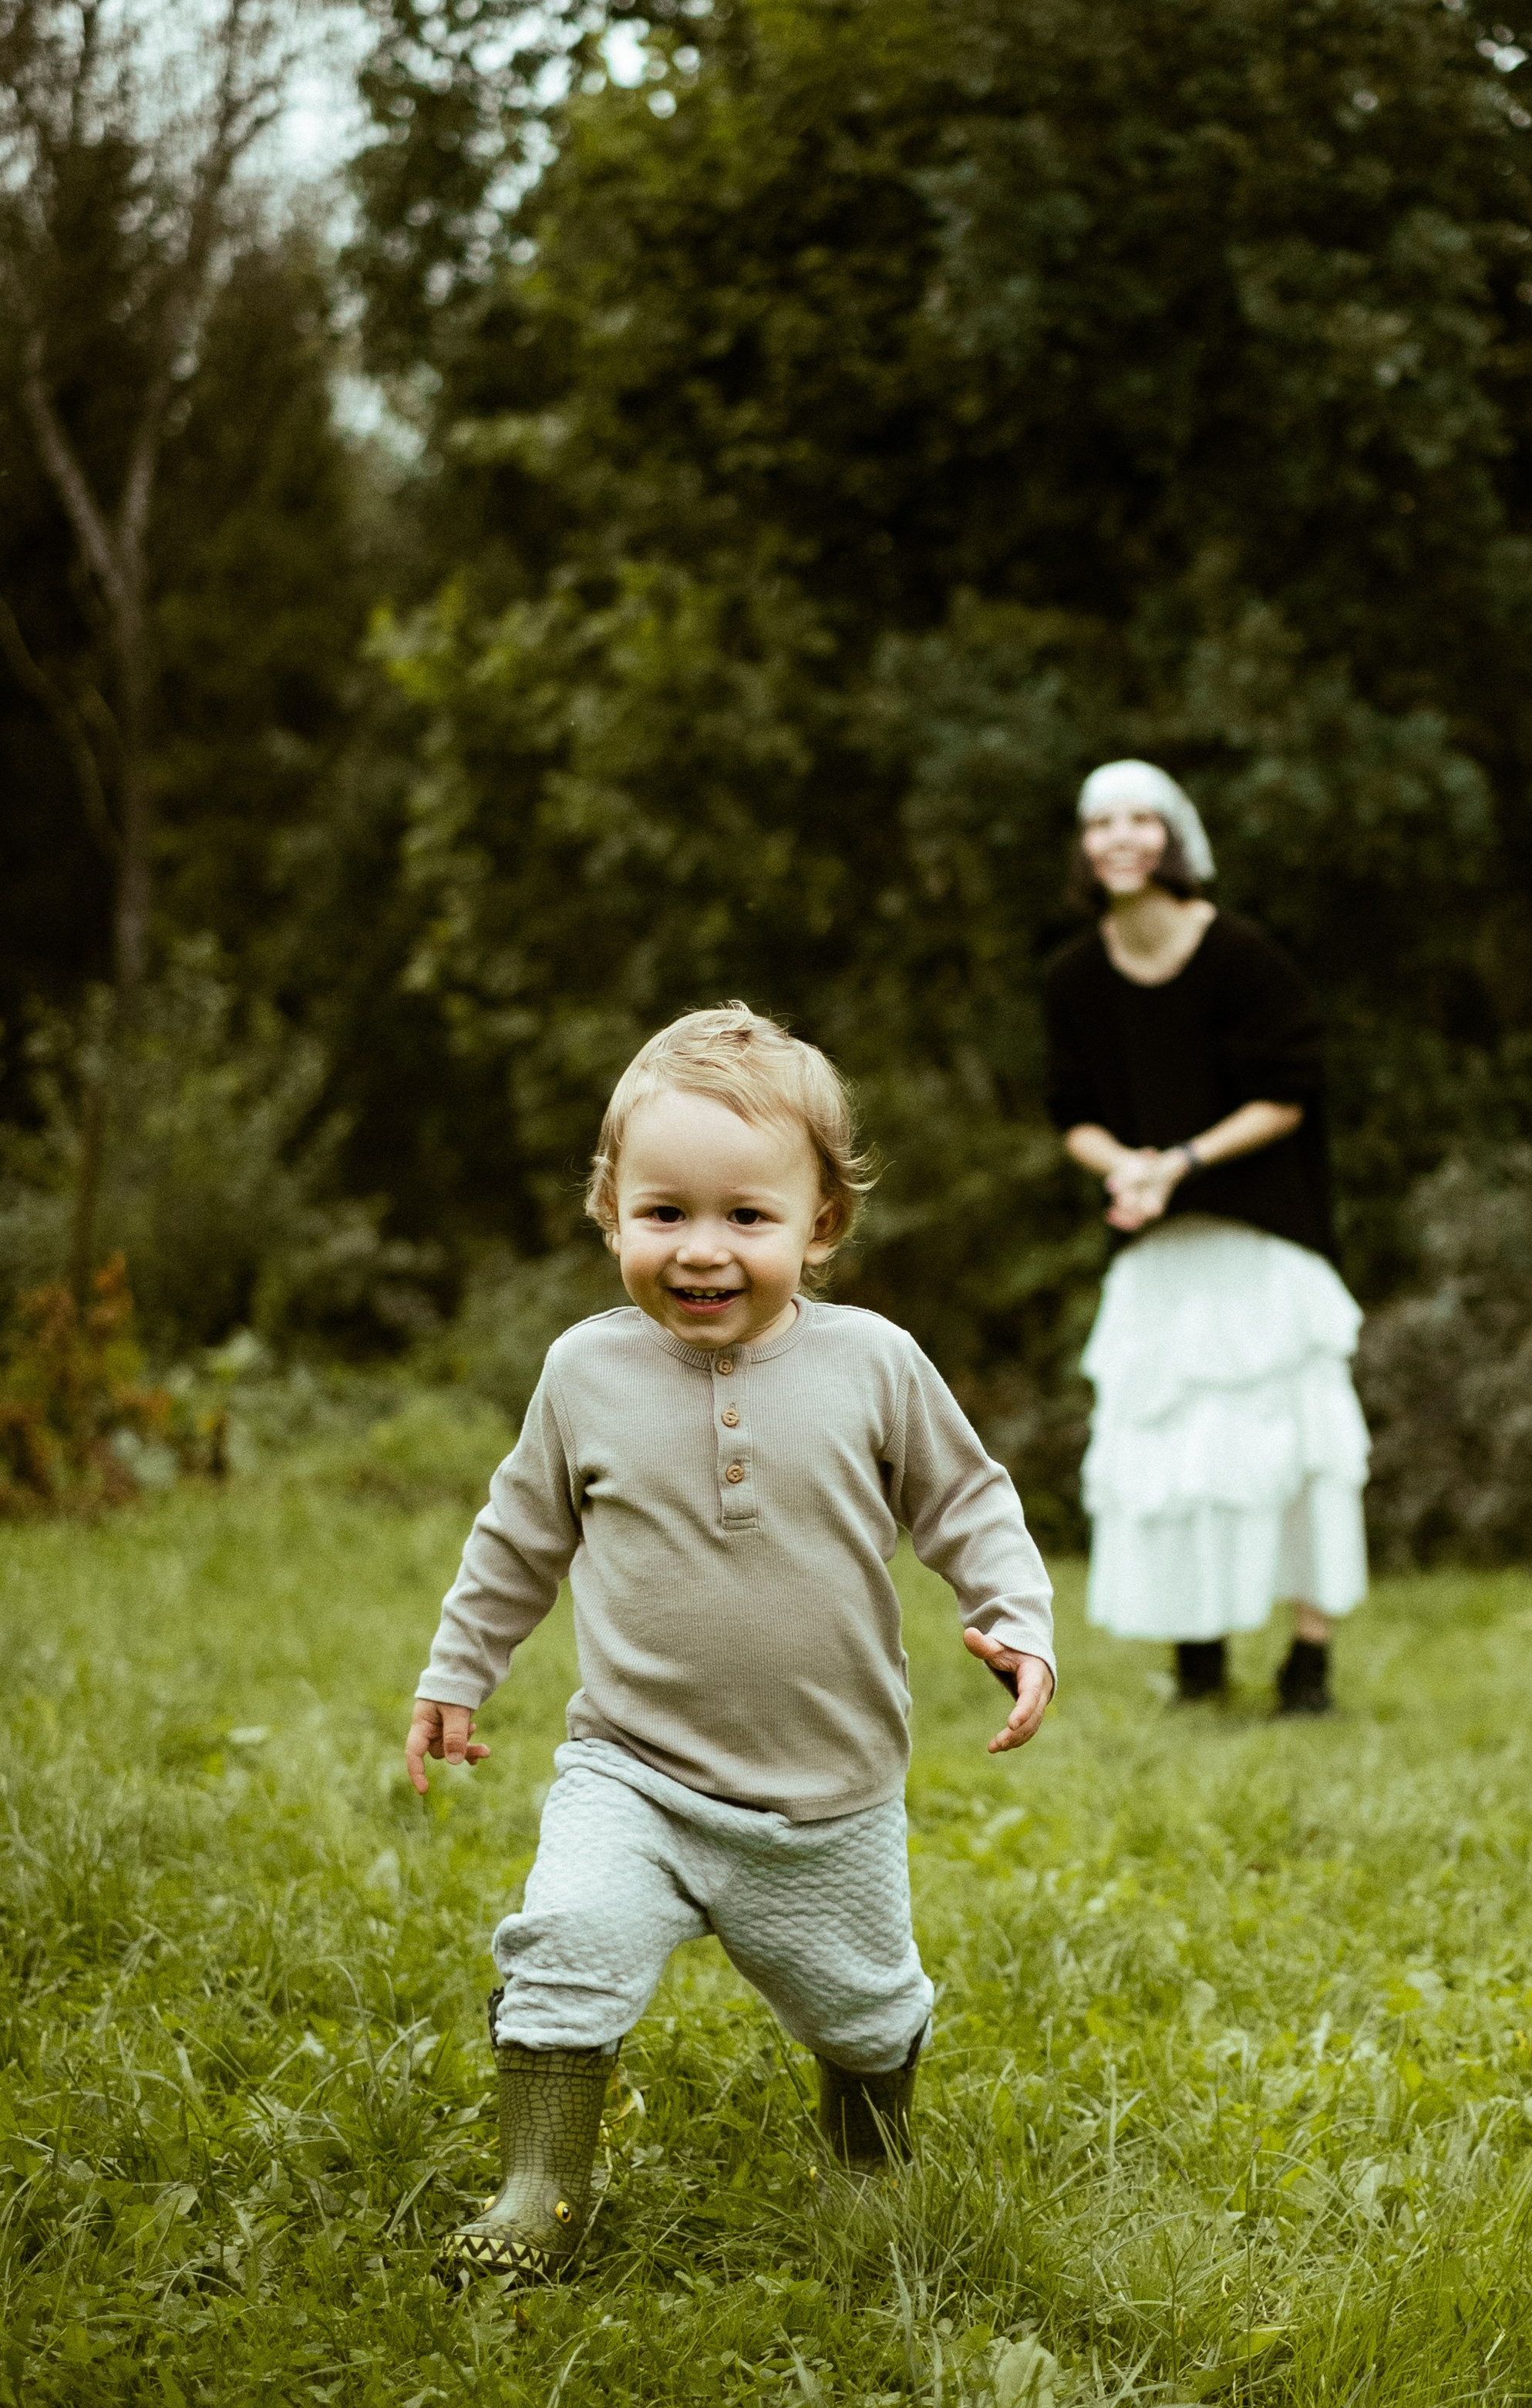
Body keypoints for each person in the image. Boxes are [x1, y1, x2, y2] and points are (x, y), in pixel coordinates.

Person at [405, 1003, 1055, 2280]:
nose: (702, 1249)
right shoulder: (584, 1374)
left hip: (826, 1793)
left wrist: (1019, 1621)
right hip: (632, 1771)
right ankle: (539, 2191)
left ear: (820, 1224)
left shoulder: (875, 1364)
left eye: (746, 1216)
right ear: (611, 1211)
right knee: (565, 1941)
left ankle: (868, 2160)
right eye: (664, 1212)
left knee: (862, 2011)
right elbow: (518, 1537)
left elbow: (969, 1504)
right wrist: (456, 1673)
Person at [1042, 759, 1369, 1714]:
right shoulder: (1072, 977)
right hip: (1158, 1247)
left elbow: (1287, 1094)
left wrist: (1180, 1161)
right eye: (1101, 822)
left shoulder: (1242, 955)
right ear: (1084, 846)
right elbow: (1071, 1112)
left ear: (1174, 837)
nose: (1120, 837)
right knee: (1174, 1455)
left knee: (1297, 1445)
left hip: (1261, 1234)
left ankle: (1307, 1661)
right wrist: (1127, 1168)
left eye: (1140, 819)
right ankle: (1198, 1655)